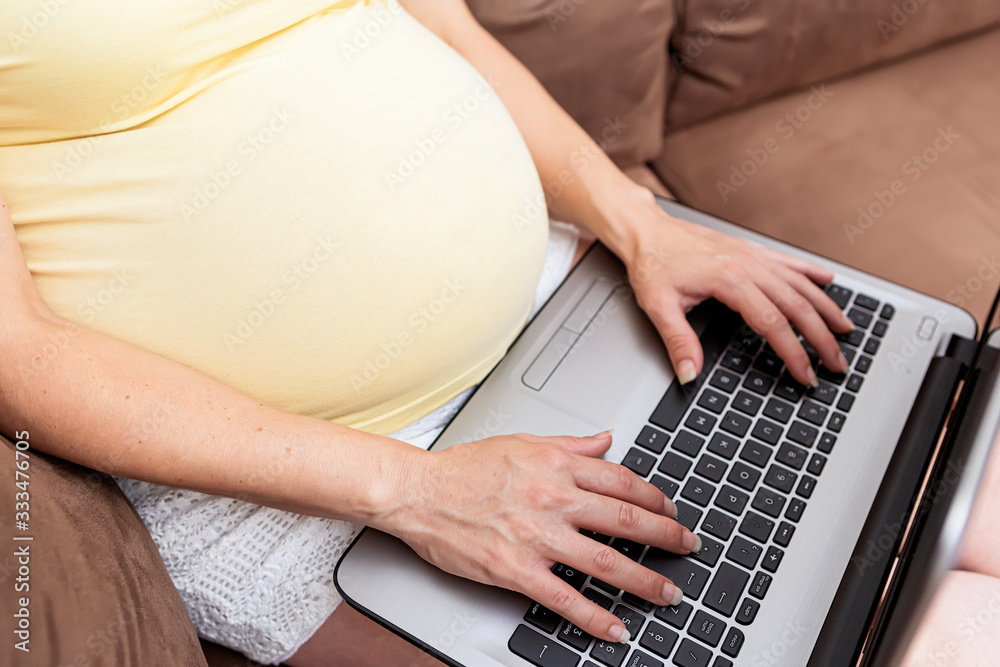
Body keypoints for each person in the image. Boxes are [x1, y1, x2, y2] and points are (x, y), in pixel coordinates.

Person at [1, 0, 868, 665]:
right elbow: (20, 353)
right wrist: (412, 491)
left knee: (901, 493)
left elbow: (439, 19)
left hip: (561, 288)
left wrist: (638, 220)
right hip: (301, 477)